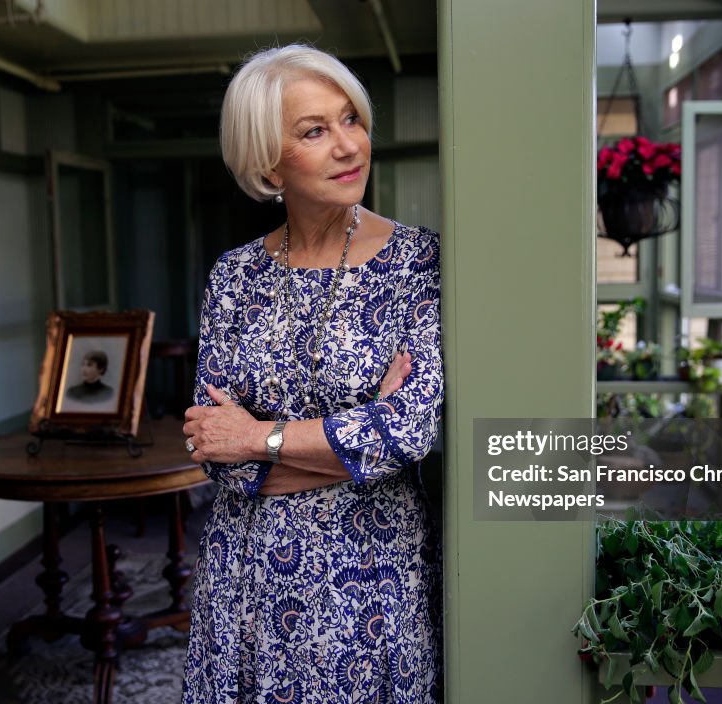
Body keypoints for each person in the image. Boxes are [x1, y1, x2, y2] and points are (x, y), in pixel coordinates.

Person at [180, 44, 443, 703]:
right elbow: (215, 451)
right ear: (268, 159)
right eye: (314, 130)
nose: (348, 145)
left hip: (369, 575)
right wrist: (350, 436)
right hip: (246, 576)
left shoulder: (417, 262)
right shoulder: (235, 277)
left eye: (351, 119)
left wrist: (260, 437)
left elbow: (408, 431)